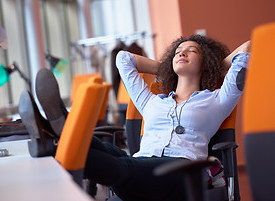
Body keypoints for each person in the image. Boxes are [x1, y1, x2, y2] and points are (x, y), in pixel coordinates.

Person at [19, 34, 250, 200]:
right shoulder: (152, 101)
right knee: (105, 149)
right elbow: (123, 59)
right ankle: (58, 129)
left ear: (205, 62)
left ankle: (55, 139)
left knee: (123, 165)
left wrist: (213, 67)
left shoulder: (217, 100)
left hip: (182, 171)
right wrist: (166, 67)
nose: (182, 52)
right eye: (179, 50)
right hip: (143, 164)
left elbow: (248, 48)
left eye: (192, 51)